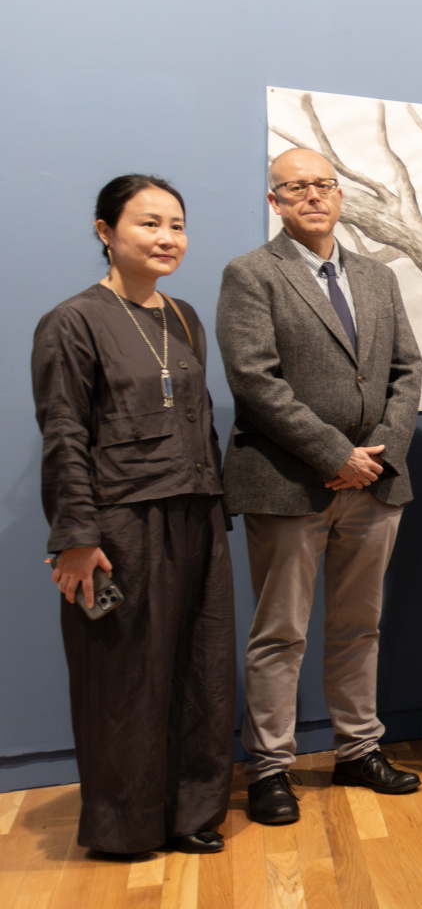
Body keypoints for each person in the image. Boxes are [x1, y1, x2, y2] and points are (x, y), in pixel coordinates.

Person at [218, 148, 422, 825]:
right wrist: (334, 454)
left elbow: (405, 370)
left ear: (340, 196)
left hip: (375, 487)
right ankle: (271, 767)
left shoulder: (378, 277)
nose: (311, 196)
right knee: (280, 633)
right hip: (288, 485)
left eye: (322, 185)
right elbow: (255, 380)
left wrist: (376, 456)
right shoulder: (251, 275)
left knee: (359, 626)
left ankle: (357, 750)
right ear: (274, 201)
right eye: (294, 188)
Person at [32, 175, 234, 856]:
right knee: (123, 679)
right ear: (105, 232)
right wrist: (77, 537)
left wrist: (215, 506)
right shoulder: (72, 321)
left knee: (198, 669)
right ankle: (126, 827)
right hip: (122, 523)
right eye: (149, 223)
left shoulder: (183, 318)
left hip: (198, 512)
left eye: (176, 224)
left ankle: (191, 812)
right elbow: (63, 433)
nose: (167, 238)